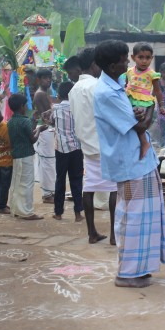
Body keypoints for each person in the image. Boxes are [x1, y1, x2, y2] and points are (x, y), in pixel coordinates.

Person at [93, 40, 165, 288]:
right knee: (133, 217)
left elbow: (136, 116)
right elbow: (140, 125)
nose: (128, 62)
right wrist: (151, 110)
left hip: (139, 161)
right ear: (110, 64)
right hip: (130, 162)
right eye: (123, 59)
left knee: (146, 216)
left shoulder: (118, 85)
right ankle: (127, 273)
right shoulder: (106, 92)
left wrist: (142, 111)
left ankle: (141, 268)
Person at [69, 48, 116, 244]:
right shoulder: (98, 86)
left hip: (86, 145)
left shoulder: (73, 90)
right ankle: (114, 235)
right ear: (94, 65)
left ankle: (92, 233)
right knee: (114, 188)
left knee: (89, 188)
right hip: (105, 143)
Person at [7, 93, 48, 220]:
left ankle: (16, 208)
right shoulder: (24, 121)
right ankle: (27, 212)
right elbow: (32, 139)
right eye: (25, 105)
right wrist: (40, 130)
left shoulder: (11, 121)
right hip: (26, 155)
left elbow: (27, 133)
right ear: (21, 106)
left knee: (17, 183)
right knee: (27, 184)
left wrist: (34, 122)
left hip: (16, 155)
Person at [124, 43, 165, 160]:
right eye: (140, 57)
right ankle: (136, 144)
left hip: (143, 100)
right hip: (130, 97)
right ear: (133, 58)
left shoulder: (152, 74)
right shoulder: (129, 71)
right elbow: (125, 85)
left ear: (152, 58)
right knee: (130, 120)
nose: (144, 61)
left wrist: (162, 106)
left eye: (147, 58)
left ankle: (144, 142)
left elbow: (157, 91)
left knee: (139, 119)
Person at [50, 81, 84, 222]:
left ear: (58, 94)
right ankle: (78, 214)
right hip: (76, 148)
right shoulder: (78, 108)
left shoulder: (55, 109)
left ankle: (58, 212)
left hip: (61, 149)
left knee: (60, 180)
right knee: (76, 180)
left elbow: (52, 122)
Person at [33, 68, 57, 204]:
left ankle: (49, 191)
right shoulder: (40, 94)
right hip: (46, 129)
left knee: (49, 161)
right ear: (39, 80)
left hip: (46, 129)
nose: (48, 80)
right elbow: (47, 117)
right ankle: (47, 194)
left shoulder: (44, 93)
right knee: (48, 161)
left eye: (49, 77)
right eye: (45, 78)